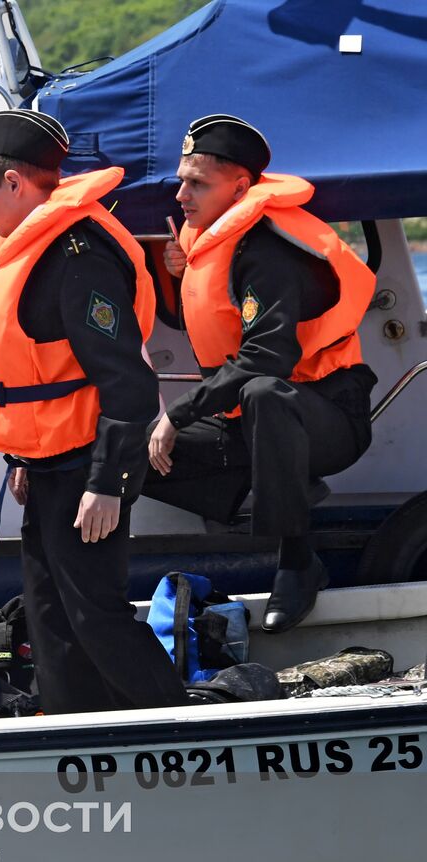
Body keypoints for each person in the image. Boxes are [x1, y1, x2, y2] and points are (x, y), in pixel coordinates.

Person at [0, 108, 188, 714]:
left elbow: (129, 382)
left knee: (95, 614)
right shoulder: (30, 248)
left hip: (88, 466)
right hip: (51, 463)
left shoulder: (76, 257)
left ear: (14, 183)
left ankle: (182, 729)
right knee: (49, 614)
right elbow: (45, 370)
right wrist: (24, 455)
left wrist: (108, 483)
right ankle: (74, 735)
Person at [146, 115, 377, 633]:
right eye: (181, 179)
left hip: (326, 415)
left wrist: (177, 415)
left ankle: (298, 562)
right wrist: (187, 275)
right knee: (120, 456)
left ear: (241, 187)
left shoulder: (269, 251)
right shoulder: (206, 238)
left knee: (265, 392)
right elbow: (216, 328)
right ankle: (264, 481)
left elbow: (266, 359)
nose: (182, 194)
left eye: (198, 183)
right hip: (243, 420)